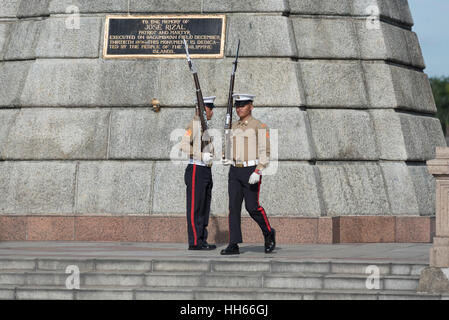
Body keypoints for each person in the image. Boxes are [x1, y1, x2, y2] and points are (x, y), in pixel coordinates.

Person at [221, 94, 276, 255]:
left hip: (251, 171)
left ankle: (268, 232)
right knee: (233, 208)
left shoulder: (259, 126)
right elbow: (229, 146)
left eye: (243, 105)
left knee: (252, 207)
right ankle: (233, 243)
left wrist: (258, 171)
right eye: (237, 105)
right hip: (235, 171)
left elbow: (265, 151)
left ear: (251, 106)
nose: (239, 108)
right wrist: (226, 156)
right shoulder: (233, 126)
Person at [180, 96, 217, 250]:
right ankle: (195, 241)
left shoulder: (203, 126)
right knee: (196, 207)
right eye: (210, 108)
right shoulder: (194, 124)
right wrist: (202, 156)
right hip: (196, 169)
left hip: (205, 170)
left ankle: (202, 239)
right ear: (202, 109)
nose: (212, 112)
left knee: (204, 206)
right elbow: (183, 145)